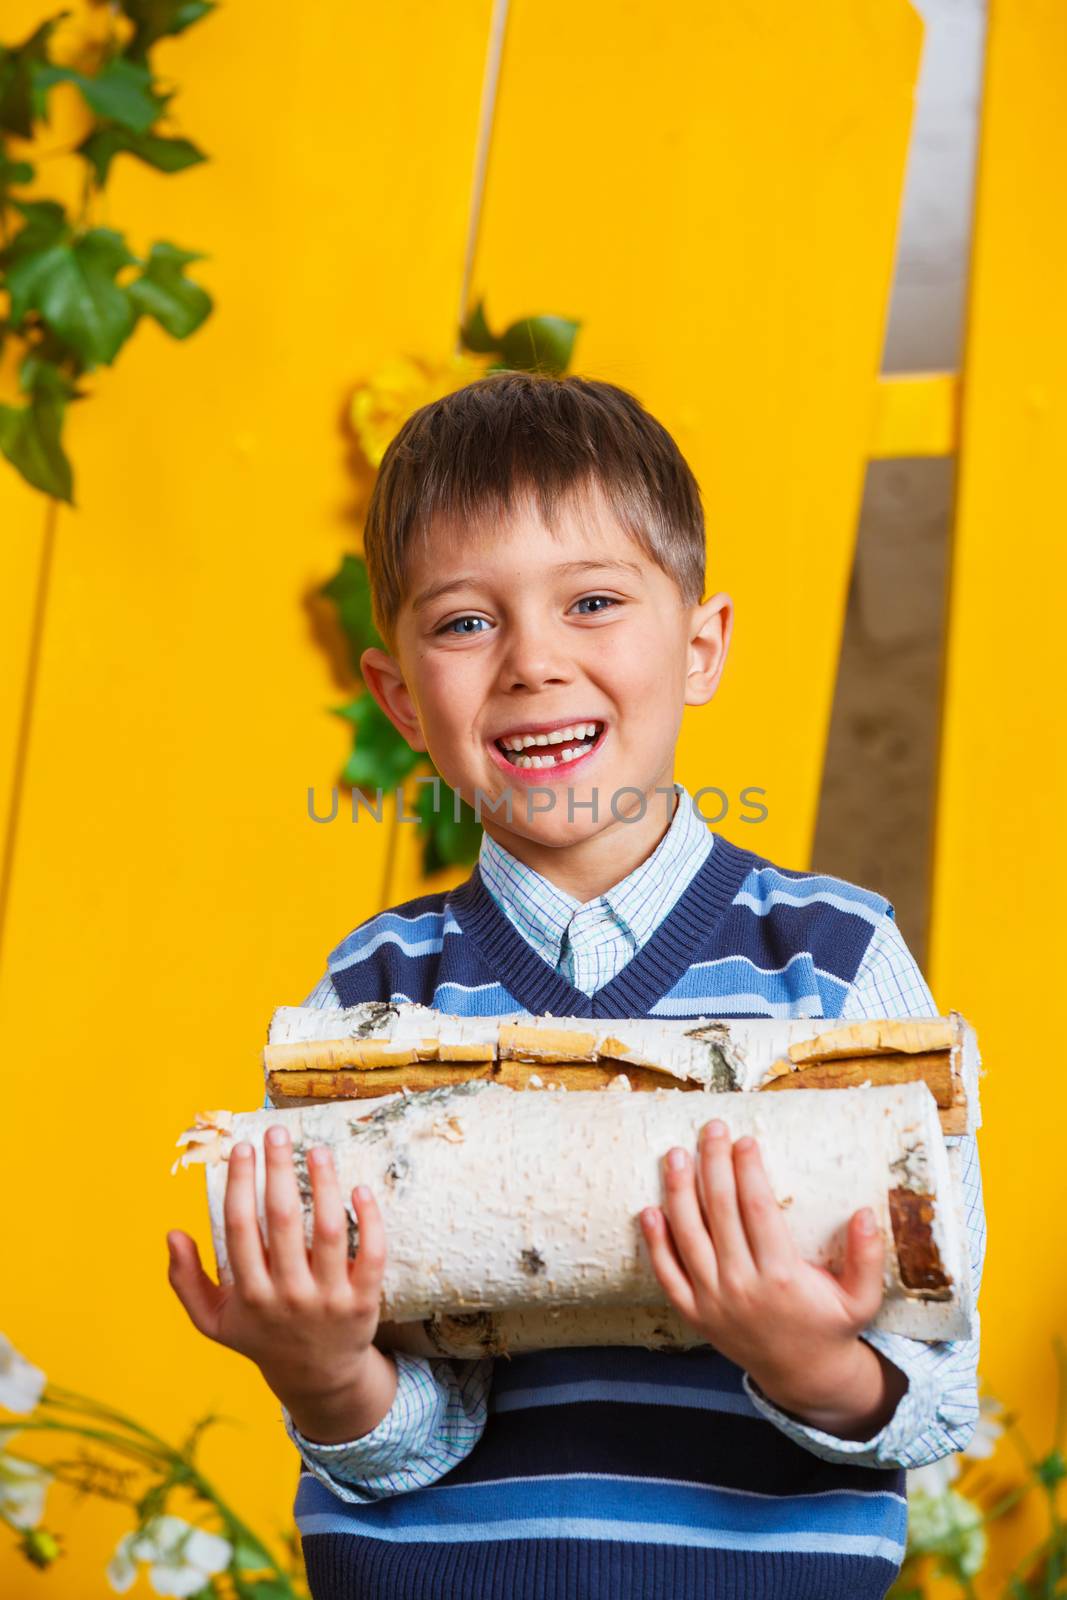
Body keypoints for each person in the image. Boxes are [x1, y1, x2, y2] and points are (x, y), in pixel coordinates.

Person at [167, 372, 985, 1600]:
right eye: (462, 623)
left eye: (592, 602)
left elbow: (935, 1401)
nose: (533, 662)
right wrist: (324, 1370)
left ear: (700, 646)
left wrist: (806, 1359)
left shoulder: (836, 963)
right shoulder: (370, 994)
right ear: (399, 696)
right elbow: (407, 1439)